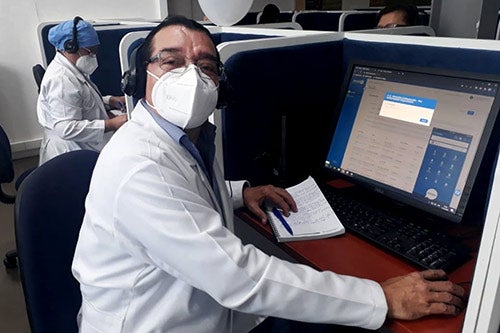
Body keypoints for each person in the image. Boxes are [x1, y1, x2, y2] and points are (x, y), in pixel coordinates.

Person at [71, 16, 466, 332]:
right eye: (172, 61)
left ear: (218, 84)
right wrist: (380, 298)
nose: (191, 76)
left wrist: (240, 192)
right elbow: (236, 277)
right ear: (142, 78)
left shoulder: (187, 139)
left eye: (206, 66)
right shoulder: (140, 163)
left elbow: (183, 196)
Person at [36, 17, 127, 166]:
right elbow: (66, 128)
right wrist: (111, 124)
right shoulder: (62, 79)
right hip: (72, 153)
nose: (93, 55)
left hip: (81, 145)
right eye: (91, 51)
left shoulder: (72, 69)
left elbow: (80, 100)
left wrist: (109, 100)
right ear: (70, 47)